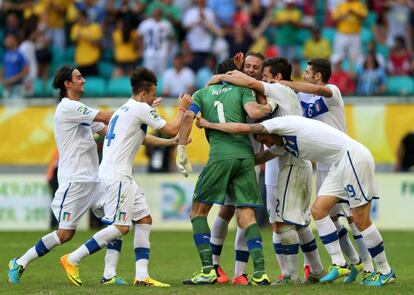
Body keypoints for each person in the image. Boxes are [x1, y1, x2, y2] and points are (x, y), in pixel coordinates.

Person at [196, 115, 396, 287]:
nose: (265, 142)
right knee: (319, 211)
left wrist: (209, 124)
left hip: (353, 157)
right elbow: (262, 156)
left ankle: (385, 271)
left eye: (263, 137)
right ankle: (339, 264)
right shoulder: (284, 145)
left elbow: (242, 127)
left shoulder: (282, 124)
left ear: (268, 129)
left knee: (361, 219)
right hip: (338, 164)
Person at [60, 67, 192, 287]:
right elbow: (171, 128)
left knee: (144, 219)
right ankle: (73, 258)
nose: (153, 99)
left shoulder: (125, 109)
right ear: (143, 94)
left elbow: (143, 139)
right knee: (121, 227)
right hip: (117, 176)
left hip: (118, 175)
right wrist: (182, 108)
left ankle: (141, 276)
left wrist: (172, 143)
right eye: (151, 95)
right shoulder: (140, 108)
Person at [211, 57, 325, 285]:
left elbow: (257, 113)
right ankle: (315, 270)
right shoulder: (264, 94)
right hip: (276, 162)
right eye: (249, 68)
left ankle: (288, 275)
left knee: (280, 221)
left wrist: (223, 76)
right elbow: (276, 146)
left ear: (276, 77)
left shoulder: (276, 92)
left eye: (260, 71)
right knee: (288, 221)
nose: (255, 74)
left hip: (288, 162)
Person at [8, 65, 119, 285]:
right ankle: (20, 261)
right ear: (67, 84)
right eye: (79, 77)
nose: (84, 80)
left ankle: (109, 275)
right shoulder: (68, 107)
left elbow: (108, 130)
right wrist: (137, 110)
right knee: (65, 234)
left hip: (94, 180)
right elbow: (106, 116)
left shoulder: (80, 109)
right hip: (75, 180)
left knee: (117, 222)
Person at [176, 59, 276, 285]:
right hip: (245, 157)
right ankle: (260, 273)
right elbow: (253, 111)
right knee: (247, 216)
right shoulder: (243, 89)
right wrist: (269, 106)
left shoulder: (202, 93)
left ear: (214, 75)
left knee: (198, 212)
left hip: (220, 155)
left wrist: (182, 148)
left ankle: (208, 269)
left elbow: (188, 117)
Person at [279, 58, 374, 284]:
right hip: (324, 164)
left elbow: (314, 89)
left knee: (353, 217)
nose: (304, 74)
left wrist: (287, 84)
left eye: (307, 71)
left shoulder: (332, 91)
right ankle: (353, 262)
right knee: (331, 217)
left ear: (317, 75)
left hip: (344, 160)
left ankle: (370, 266)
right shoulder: (302, 97)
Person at [208, 51, 267, 286]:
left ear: (262, 71)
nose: (252, 70)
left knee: (243, 213)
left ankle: (238, 272)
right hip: (236, 155)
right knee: (227, 211)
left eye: (256, 68)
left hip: (250, 159)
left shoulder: (258, 89)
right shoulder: (237, 88)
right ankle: (214, 266)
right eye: (248, 66)